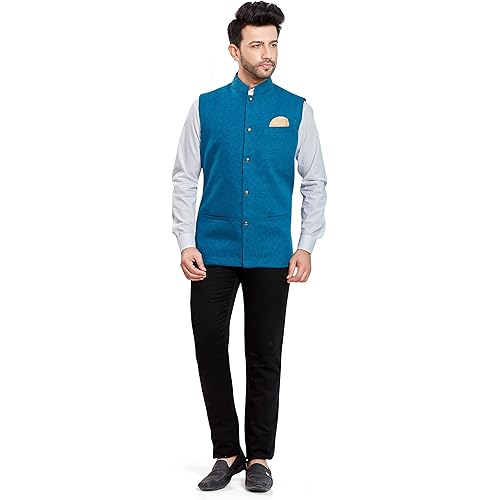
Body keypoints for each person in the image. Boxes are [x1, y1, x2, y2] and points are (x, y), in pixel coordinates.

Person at [171, 1, 327, 492]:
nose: (267, 54)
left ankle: (259, 457)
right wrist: (185, 240)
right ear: (234, 50)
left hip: (271, 252)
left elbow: (315, 182)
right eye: (257, 45)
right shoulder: (204, 107)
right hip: (211, 252)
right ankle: (226, 452)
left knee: (264, 354)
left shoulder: (297, 109)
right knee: (209, 346)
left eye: (273, 44)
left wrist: (305, 244)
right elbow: (184, 178)